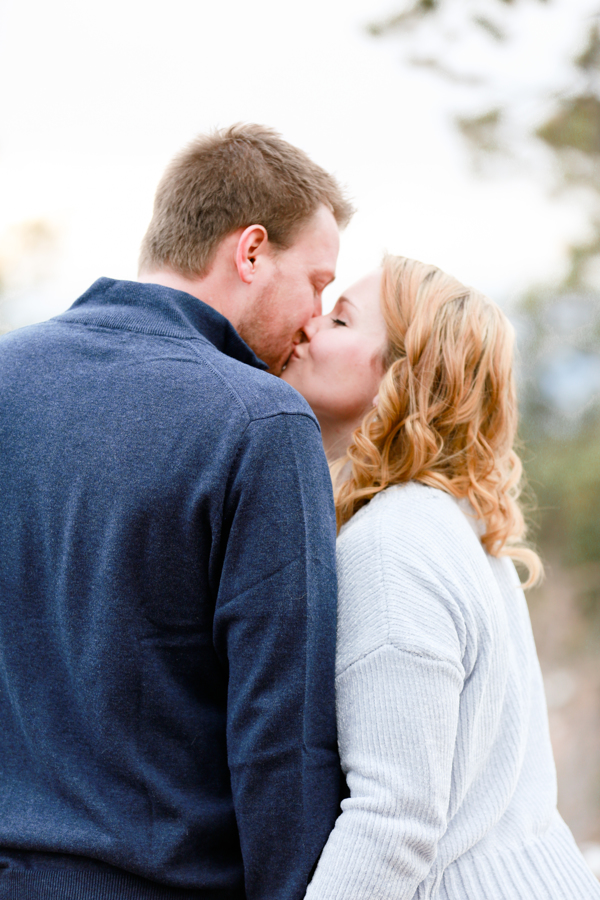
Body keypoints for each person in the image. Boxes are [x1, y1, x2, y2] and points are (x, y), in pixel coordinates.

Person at [0, 124, 353, 900]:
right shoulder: (261, 422)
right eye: (318, 282)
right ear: (251, 251)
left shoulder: (6, 377)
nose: (314, 317)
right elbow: (281, 737)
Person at [282, 256, 600, 899]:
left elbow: (394, 820)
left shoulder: (391, 545)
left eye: (341, 318)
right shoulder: (453, 524)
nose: (309, 326)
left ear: (403, 376)